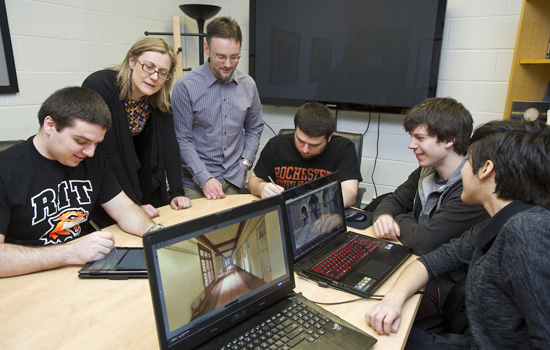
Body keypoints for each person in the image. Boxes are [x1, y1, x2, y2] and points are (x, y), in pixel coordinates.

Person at [365, 119, 550, 349]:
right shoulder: (498, 223)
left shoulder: (528, 229)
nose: (461, 171)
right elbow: (432, 262)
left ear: (486, 169)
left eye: (468, 162)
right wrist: (392, 300)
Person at [0, 87, 161, 278]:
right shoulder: (7, 170)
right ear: (50, 125)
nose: (90, 152)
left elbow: (124, 209)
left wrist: (157, 234)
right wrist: (70, 253)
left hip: (81, 269)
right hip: (26, 277)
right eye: (80, 141)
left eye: (95, 144)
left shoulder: (93, 160)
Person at [82, 37, 190, 227]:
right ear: (132, 61)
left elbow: (168, 144)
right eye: (148, 67)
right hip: (107, 178)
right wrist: (132, 205)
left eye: (163, 72)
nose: (155, 77)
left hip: (140, 175)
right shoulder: (101, 86)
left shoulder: (158, 97)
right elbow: (109, 152)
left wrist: (177, 192)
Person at [372, 97, 488, 255]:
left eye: (420, 138)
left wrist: (398, 218)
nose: (411, 145)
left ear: (448, 140)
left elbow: (423, 242)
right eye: (412, 137)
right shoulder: (428, 170)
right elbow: (395, 199)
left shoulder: (471, 186)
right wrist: (384, 215)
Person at [171, 16, 264, 200]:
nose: (228, 64)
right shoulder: (185, 86)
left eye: (235, 57)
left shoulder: (248, 85)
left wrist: (245, 162)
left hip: (234, 181)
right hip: (195, 185)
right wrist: (205, 178)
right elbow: (182, 139)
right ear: (207, 48)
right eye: (220, 57)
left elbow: (255, 128)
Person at [248, 101, 362, 208]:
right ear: (296, 129)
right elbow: (254, 181)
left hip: (323, 213)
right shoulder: (276, 144)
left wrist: (320, 205)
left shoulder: (343, 148)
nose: (305, 149)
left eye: (314, 145)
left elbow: (350, 193)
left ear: (329, 137)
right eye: (300, 141)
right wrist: (261, 187)